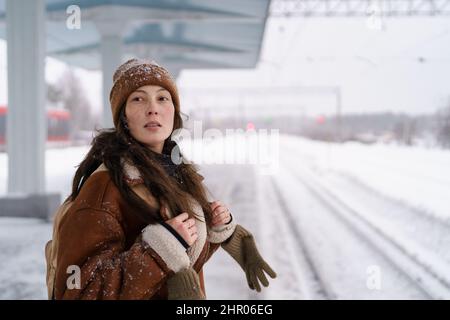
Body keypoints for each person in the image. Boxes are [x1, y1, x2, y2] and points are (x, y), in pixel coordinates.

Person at [47, 58, 276, 300]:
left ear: (174, 112)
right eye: (138, 99)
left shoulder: (176, 174)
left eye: (162, 98)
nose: (152, 108)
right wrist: (157, 251)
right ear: (123, 116)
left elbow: (178, 263)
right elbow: (81, 292)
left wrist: (214, 229)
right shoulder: (104, 188)